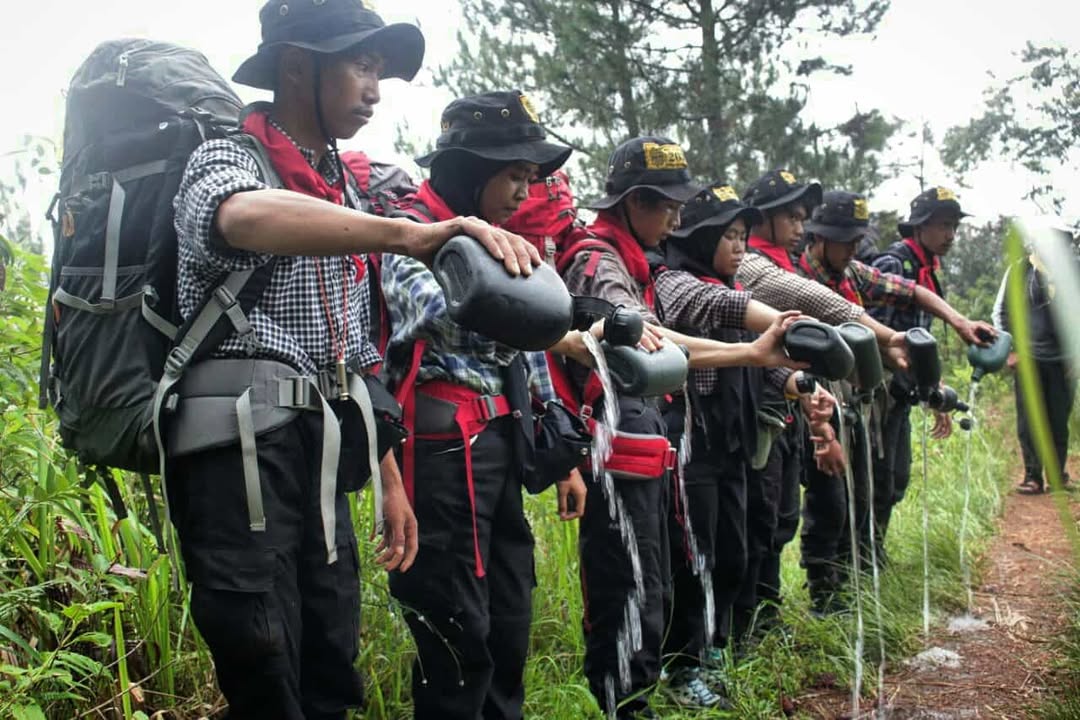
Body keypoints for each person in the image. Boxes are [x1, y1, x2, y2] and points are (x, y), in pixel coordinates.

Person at [168, 4, 538, 718]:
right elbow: (239, 216)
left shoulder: (344, 190)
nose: (374, 89)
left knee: (332, 656)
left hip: (324, 453)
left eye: (378, 71)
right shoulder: (228, 156)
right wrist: (410, 234)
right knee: (263, 654)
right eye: (360, 66)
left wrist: (390, 479)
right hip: (239, 449)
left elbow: (357, 354)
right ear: (299, 66)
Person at [558, 137, 804, 719]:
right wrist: (747, 355)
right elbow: (645, 340)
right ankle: (626, 705)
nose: (674, 217)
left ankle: (646, 694)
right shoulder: (599, 262)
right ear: (634, 201)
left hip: (649, 445)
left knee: (658, 581)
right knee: (628, 587)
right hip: (615, 448)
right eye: (666, 205)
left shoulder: (638, 262)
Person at [380, 91, 594, 720]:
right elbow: (442, 314)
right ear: (472, 169)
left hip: (500, 443)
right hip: (442, 453)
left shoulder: (502, 244)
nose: (525, 195)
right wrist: (517, 291)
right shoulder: (412, 233)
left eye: (532, 179)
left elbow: (529, 353)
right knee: (454, 630)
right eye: (516, 176)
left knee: (508, 616)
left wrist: (564, 460)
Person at [652, 184, 834, 705]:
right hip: (690, 446)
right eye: (728, 236)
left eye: (743, 236)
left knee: (733, 552)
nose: (739, 247)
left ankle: (713, 649)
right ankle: (681, 668)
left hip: (732, 446)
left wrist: (803, 388)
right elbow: (722, 309)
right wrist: (785, 324)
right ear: (702, 236)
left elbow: (759, 365)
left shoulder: (727, 287)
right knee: (694, 557)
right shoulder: (675, 284)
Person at [870, 187, 995, 541]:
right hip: (882, 388)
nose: (950, 235)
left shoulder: (927, 269)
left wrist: (930, 389)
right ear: (919, 227)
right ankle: (862, 562)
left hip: (904, 388)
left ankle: (874, 553)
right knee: (879, 480)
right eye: (943, 226)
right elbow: (878, 333)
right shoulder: (894, 264)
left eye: (954, 226)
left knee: (896, 480)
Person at [993, 229, 1076, 494]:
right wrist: (1010, 349)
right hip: (1028, 356)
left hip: (1063, 359)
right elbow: (1001, 311)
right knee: (1029, 418)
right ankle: (1032, 475)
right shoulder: (1019, 271)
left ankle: (1057, 474)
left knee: (1058, 416)